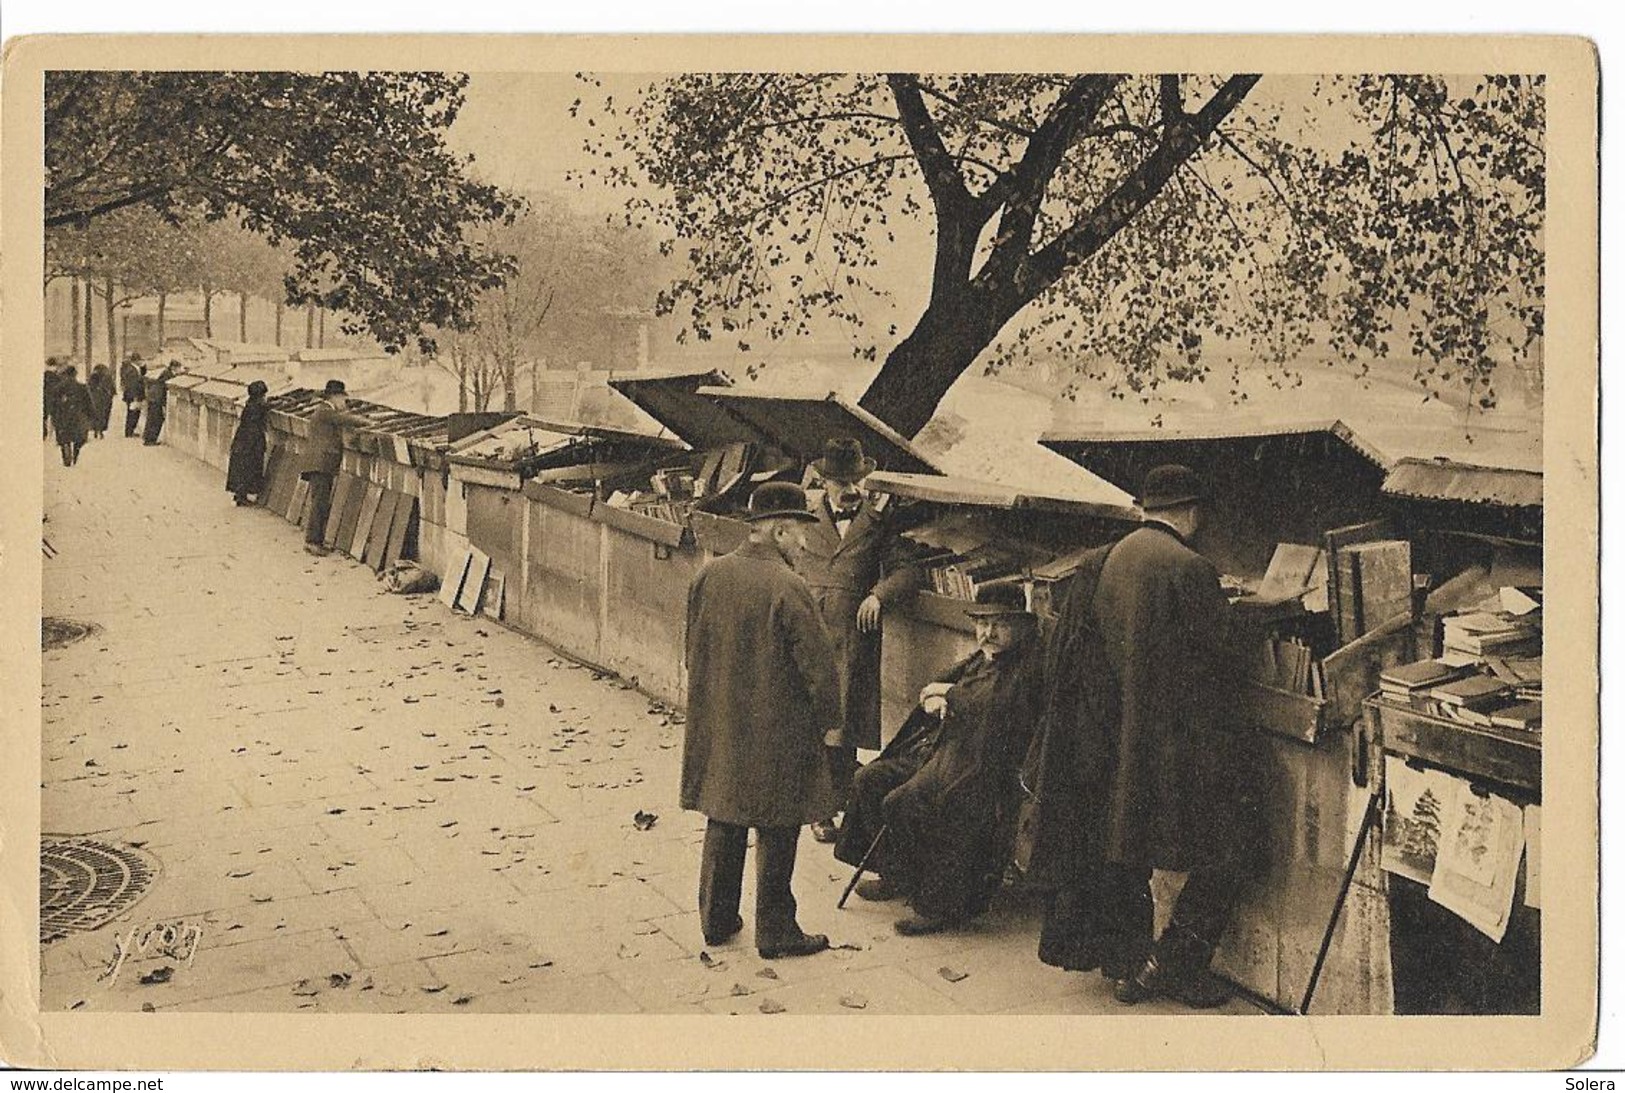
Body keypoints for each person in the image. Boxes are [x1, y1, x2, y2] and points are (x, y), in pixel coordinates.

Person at [1027, 464, 1259, 1009]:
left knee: (1121, 849)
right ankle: (1175, 965)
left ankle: (1127, 962)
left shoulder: (1109, 558)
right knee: (1233, 844)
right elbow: (1223, 656)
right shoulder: (1190, 566)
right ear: (1192, 513)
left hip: (1115, 742)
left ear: (1146, 508)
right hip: (1177, 748)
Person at [681, 481, 842, 960]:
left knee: (725, 812)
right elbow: (818, 667)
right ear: (776, 531)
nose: (804, 543)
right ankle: (776, 931)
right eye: (798, 533)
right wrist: (828, 722)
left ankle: (716, 920)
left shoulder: (709, 576)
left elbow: (692, 649)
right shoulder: (789, 586)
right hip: (778, 727)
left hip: (722, 720)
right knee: (779, 824)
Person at [834, 582, 1043, 936]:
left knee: (905, 801)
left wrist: (949, 695)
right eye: (981, 624)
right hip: (949, 752)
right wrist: (936, 697)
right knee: (870, 779)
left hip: (984, 766)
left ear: (1020, 627)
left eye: (999, 625)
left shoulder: (1025, 667)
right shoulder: (984, 656)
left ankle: (938, 905)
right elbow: (940, 687)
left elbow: (995, 709)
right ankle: (896, 872)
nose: (987, 633)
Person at [796, 437, 924, 843]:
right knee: (810, 721)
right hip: (809, 632)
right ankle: (815, 805)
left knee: (844, 727)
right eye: (841, 482)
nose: (850, 490)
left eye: (856, 481)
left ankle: (834, 806)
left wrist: (878, 595)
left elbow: (909, 572)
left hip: (853, 639)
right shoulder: (803, 517)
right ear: (824, 481)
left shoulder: (880, 522)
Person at [298, 379, 372, 554]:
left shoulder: (323, 411)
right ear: (335, 397)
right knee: (320, 504)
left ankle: (316, 541)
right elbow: (346, 418)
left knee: (320, 503)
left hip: (320, 464)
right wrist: (369, 422)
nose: (344, 403)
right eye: (343, 399)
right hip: (321, 464)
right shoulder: (325, 411)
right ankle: (312, 542)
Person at [226, 380, 272, 506]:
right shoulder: (257, 406)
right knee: (248, 468)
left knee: (242, 469)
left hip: (243, 442)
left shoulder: (250, 404)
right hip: (250, 444)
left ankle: (240, 495)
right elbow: (268, 406)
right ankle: (242, 496)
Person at [49, 364, 94, 467]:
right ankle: (75, 454)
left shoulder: (58, 388)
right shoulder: (82, 387)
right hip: (78, 417)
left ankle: (66, 455)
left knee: (64, 438)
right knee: (78, 439)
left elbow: (53, 404)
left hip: (62, 417)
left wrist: (53, 416)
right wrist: (92, 416)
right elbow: (89, 403)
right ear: (75, 375)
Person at [141, 361, 179, 445]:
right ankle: (150, 440)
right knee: (156, 419)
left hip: (153, 397)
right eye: (178, 368)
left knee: (151, 418)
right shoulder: (169, 375)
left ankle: (148, 438)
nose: (179, 370)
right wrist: (164, 405)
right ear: (174, 367)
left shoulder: (166, 372)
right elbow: (165, 388)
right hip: (157, 399)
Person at [87, 364, 116, 439]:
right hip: (105, 399)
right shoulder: (108, 376)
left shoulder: (93, 376)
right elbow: (112, 388)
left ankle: (96, 429)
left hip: (96, 398)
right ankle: (101, 430)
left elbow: (89, 387)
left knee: (97, 414)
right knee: (104, 414)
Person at [121, 356, 147, 438]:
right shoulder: (132, 370)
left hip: (133, 395)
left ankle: (130, 431)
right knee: (133, 413)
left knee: (133, 413)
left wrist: (143, 367)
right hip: (133, 395)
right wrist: (134, 396)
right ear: (136, 360)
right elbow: (132, 384)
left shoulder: (133, 368)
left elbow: (142, 374)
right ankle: (129, 432)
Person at [43, 359, 63, 441]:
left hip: (44, 400)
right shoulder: (58, 377)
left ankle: (44, 434)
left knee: (44, 417)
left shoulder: (44, 375)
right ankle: (56, 435)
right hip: (55, 401)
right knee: (55, 418)